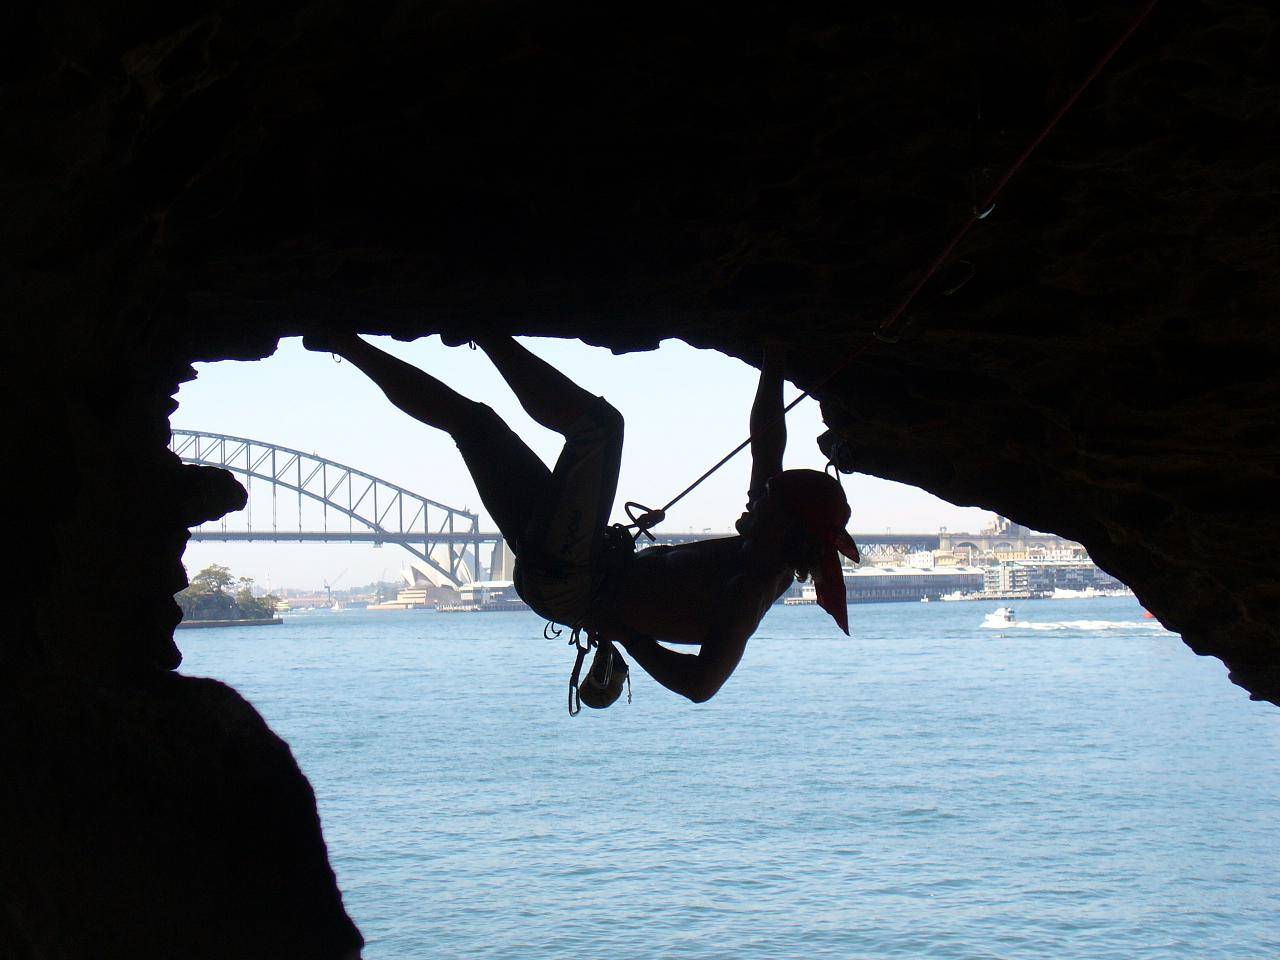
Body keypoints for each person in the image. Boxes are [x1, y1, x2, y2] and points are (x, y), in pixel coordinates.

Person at [304, 334, 859, 707]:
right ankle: (342, 342)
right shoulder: (764, 545)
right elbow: (768, 443)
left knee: (600, 427)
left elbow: (702, 684)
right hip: (575, 571)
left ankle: (484, 331)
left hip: (575, 582)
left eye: (766, 505)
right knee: (474, 424)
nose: (754, 503)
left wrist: (626, 634)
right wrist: (774, 357)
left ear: (789, 528)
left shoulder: (749, 588)